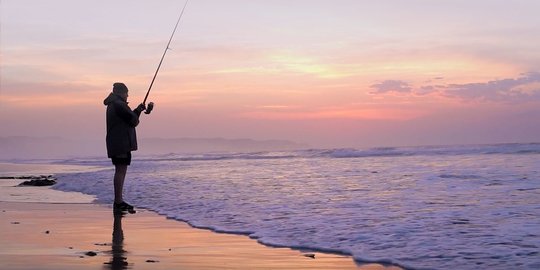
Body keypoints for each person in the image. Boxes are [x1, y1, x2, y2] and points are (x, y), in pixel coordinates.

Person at [104, 82, 146, 212]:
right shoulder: (119, 105)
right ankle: (118, 202)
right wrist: (138, 111)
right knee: (120, 171)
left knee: (120, 170)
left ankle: (118, 201)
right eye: (127, 93)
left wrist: (138, 110)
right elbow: (133, 121)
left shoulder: (115, 104)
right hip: (120, 143)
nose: (128, 96)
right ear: (121, 93)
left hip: (117, 142)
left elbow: (129, 118)